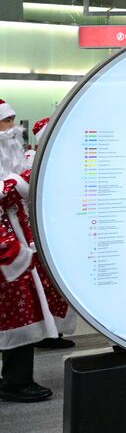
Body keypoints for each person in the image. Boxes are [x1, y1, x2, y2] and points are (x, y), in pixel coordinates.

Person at [0, 99, 78, 402]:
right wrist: (17, 184)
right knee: (18, 312)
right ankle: (15, 381)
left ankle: (16, 377)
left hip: (17, 245)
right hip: (9, 251)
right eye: (7, 122)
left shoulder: (12, 160)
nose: (14, 129)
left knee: (21, 312)